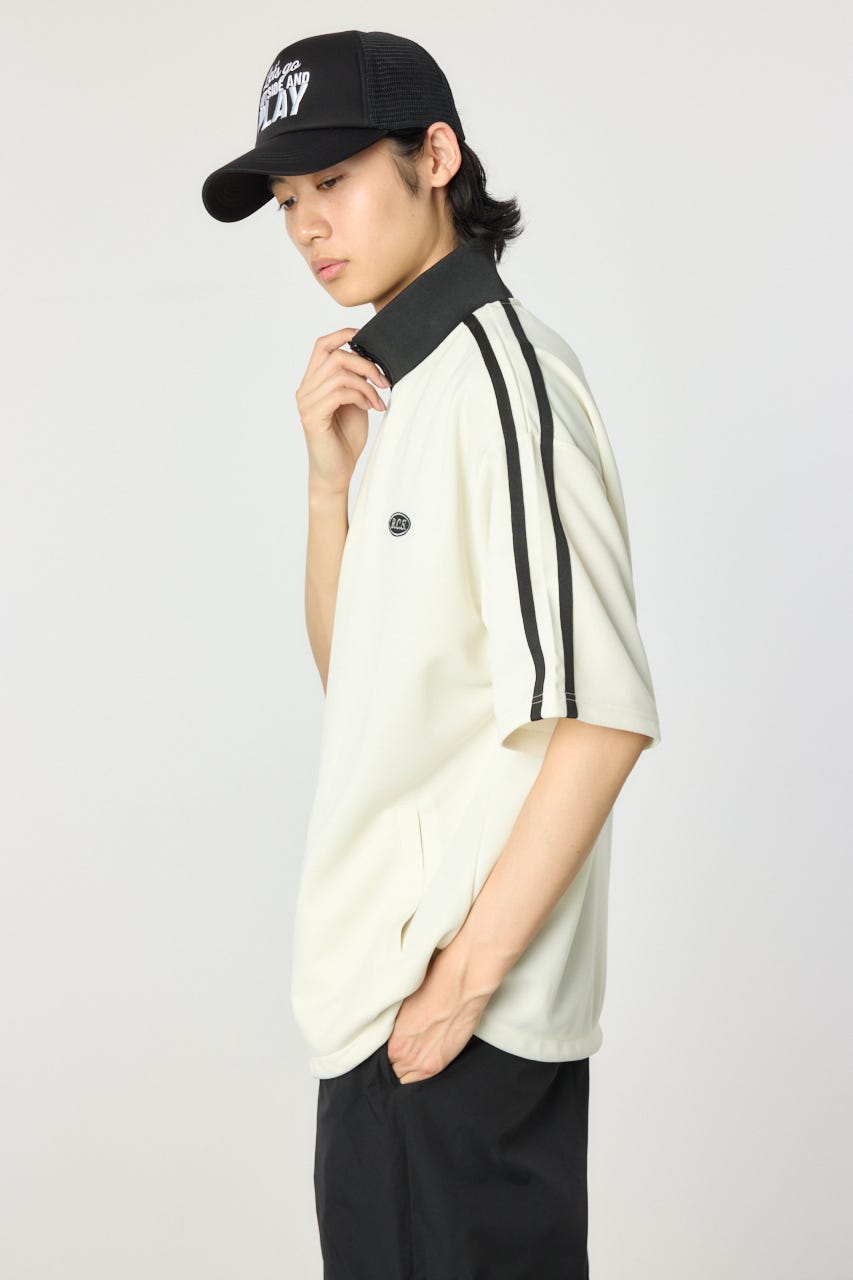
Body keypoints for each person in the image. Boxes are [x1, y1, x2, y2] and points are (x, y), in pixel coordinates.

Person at [202, 28, 662, 1280]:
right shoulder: (408, 391)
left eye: (333, 179)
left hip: (457, 1023)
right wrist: (327, 489)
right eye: (285, 199)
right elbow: (361, 689)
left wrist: (459, 985)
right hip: (380, 1012)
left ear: (436, 157)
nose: (306, 225)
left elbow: (603, 712)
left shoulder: (505, 382)